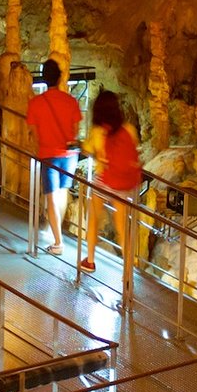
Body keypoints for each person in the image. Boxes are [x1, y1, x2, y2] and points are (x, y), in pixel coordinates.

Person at [77, 89, 144, 280]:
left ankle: (89, 260)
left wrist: (85, 146)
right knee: (122, 227)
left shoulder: (98, 132)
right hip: (124, 185)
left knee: (93, 219)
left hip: (104, 180)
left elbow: (88, 149)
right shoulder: (128, 129)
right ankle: (128, 270)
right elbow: (134, 152)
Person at [23, 58, 81, 256]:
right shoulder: (71, 101)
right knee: (63, 191)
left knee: (51, 196)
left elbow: (32, 132)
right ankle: (54, 230)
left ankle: (57, 241)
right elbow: (76, 129)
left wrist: (36, 148)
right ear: (61, 77)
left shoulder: (36, 103)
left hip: (49, 154)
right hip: (70, 155)